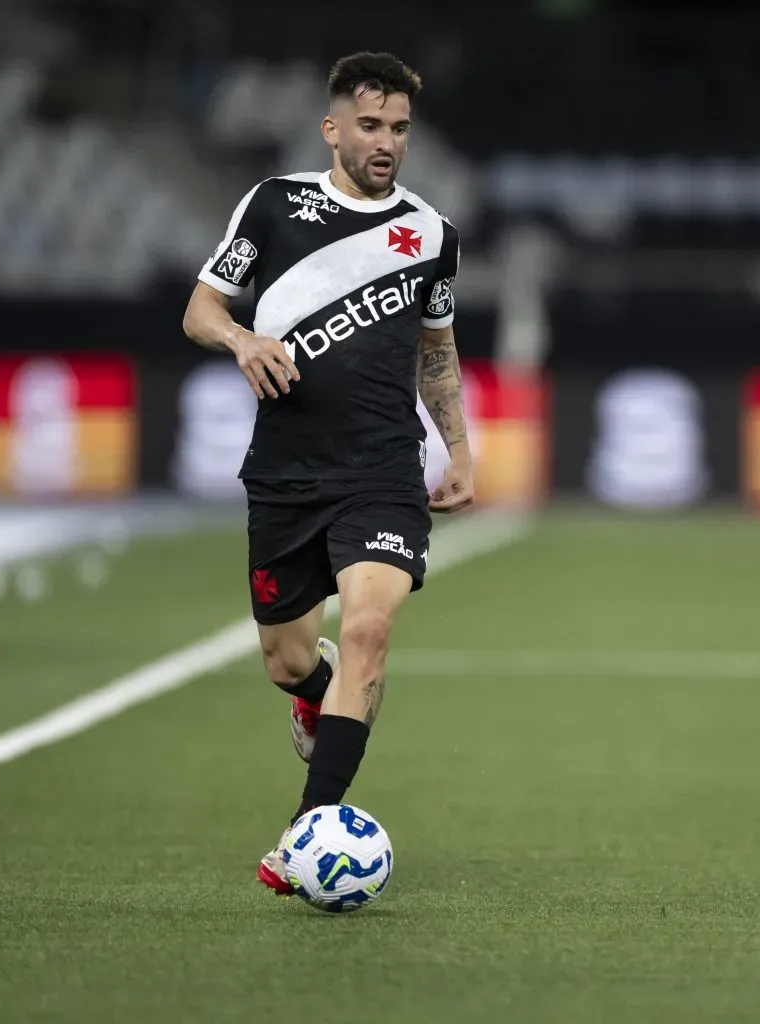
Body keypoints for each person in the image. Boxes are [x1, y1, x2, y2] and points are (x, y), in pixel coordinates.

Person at [182, 50, 474, 894]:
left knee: (366, 636)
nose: (387, 143)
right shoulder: (273, 206)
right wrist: (242, 341)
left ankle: (303, 834)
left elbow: (437, 352)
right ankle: (311, 697)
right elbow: (202, 308)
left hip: (383, 471)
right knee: (285, 658)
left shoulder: (431, 236)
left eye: (400, 130)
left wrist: (458, 450)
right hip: (284, 472)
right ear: (333, 128)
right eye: (372, 126)